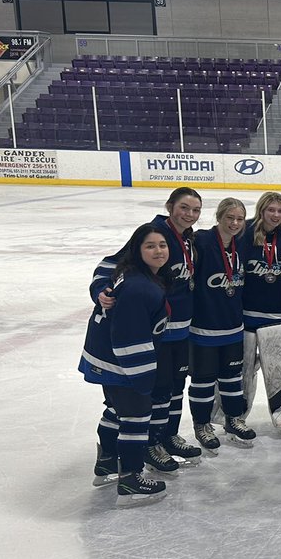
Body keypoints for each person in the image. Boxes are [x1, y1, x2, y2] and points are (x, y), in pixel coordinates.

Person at [92, 186, 206, 474]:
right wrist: (100, 291)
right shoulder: (155, 234)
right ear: (170, 206)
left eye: (195, 210)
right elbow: (109, 265)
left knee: (175, 389)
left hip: (183, 330)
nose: (189, 215)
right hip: (159, 333)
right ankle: (150, 443)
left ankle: (168, 436)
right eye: (183, 208)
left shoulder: (188, 238)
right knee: (157, 391)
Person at [79, 224, 172, 506]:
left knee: (117, 410)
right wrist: (142, 376)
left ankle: (107, 461)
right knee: (136, 416)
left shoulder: (136, 275)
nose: (158, 251)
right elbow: (128, 337)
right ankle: (131, 478)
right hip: (118, 362)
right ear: (137, 250)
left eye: (162, 245)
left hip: (104, 358)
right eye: (150, 246)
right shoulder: (139, 287)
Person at [189, 198, 257, 451]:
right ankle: (201, 424)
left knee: (232, 379)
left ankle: (233, 419)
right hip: (203, 328)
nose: (235, 223)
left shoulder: (242, 243)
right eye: (230, 217)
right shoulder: (202, 242)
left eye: (240, 218)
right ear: (219, 217)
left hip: (233, 327)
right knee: (203, 380)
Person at [239, 191, 281, 429]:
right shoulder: (243, 232)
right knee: (243, 371)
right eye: (271, 210)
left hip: (278, 316)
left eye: (280, 211)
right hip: (245, 316)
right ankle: (233, 416)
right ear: (261, 210)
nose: (276, 215)